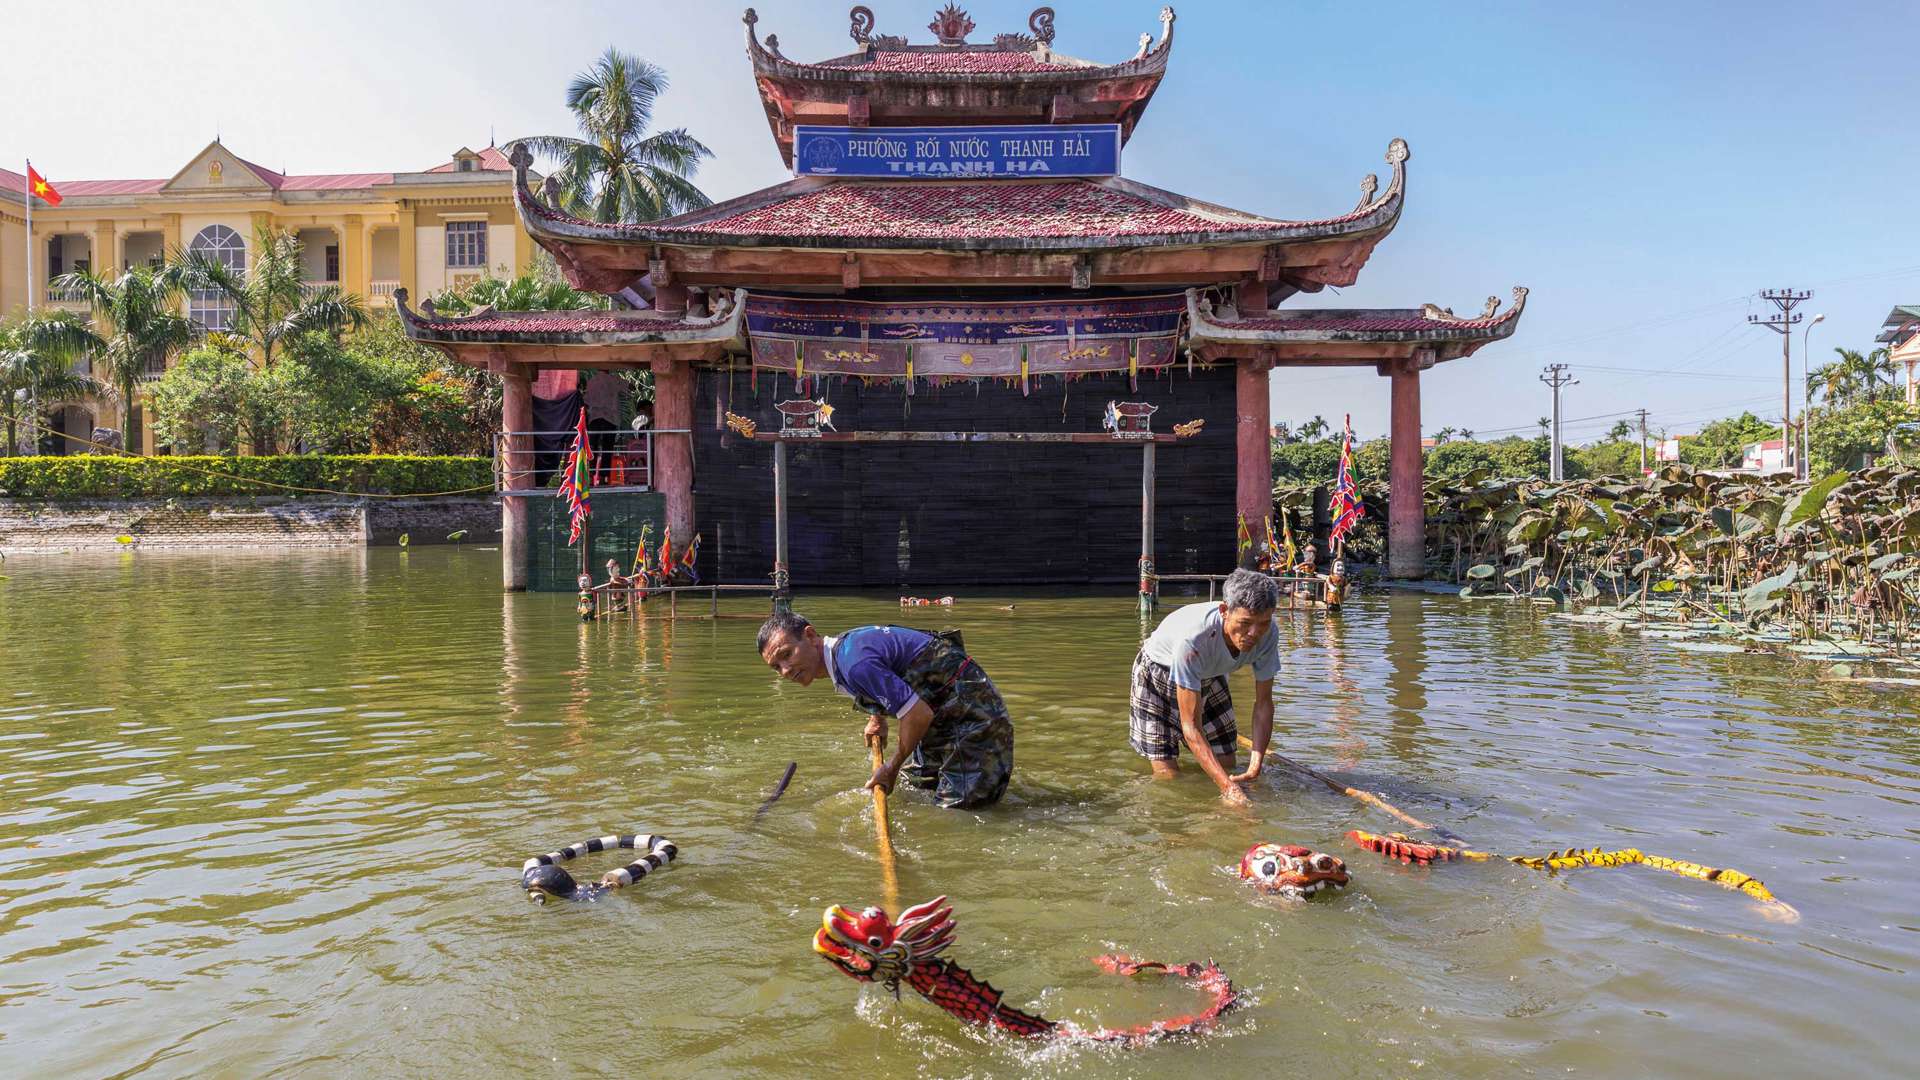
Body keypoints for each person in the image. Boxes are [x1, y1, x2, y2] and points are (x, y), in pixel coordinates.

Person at [757, 611, 1013, 809]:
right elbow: (887, 672)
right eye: (776, 667)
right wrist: (876, 717)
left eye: (787, 654)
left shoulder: (854, 664)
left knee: (958, 812)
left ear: (810, 636)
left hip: (974, 717)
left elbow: (917, 714)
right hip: (943, 709)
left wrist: (891, 766)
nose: (786, 671)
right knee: (919, 784)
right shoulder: (844, 650)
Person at [1129, 568, 1280, 807]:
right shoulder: (1194, 639)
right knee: (1168, 777)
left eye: (1263, 623)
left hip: (1210, 673)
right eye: (1245, 623)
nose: (1254, 634)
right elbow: (1191, 727)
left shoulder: (1268, 634)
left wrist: (1255, 764)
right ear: (1224, 612)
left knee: (1227, 762)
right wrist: (1229, 789)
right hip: (1158, 672)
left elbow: (1263, 704)